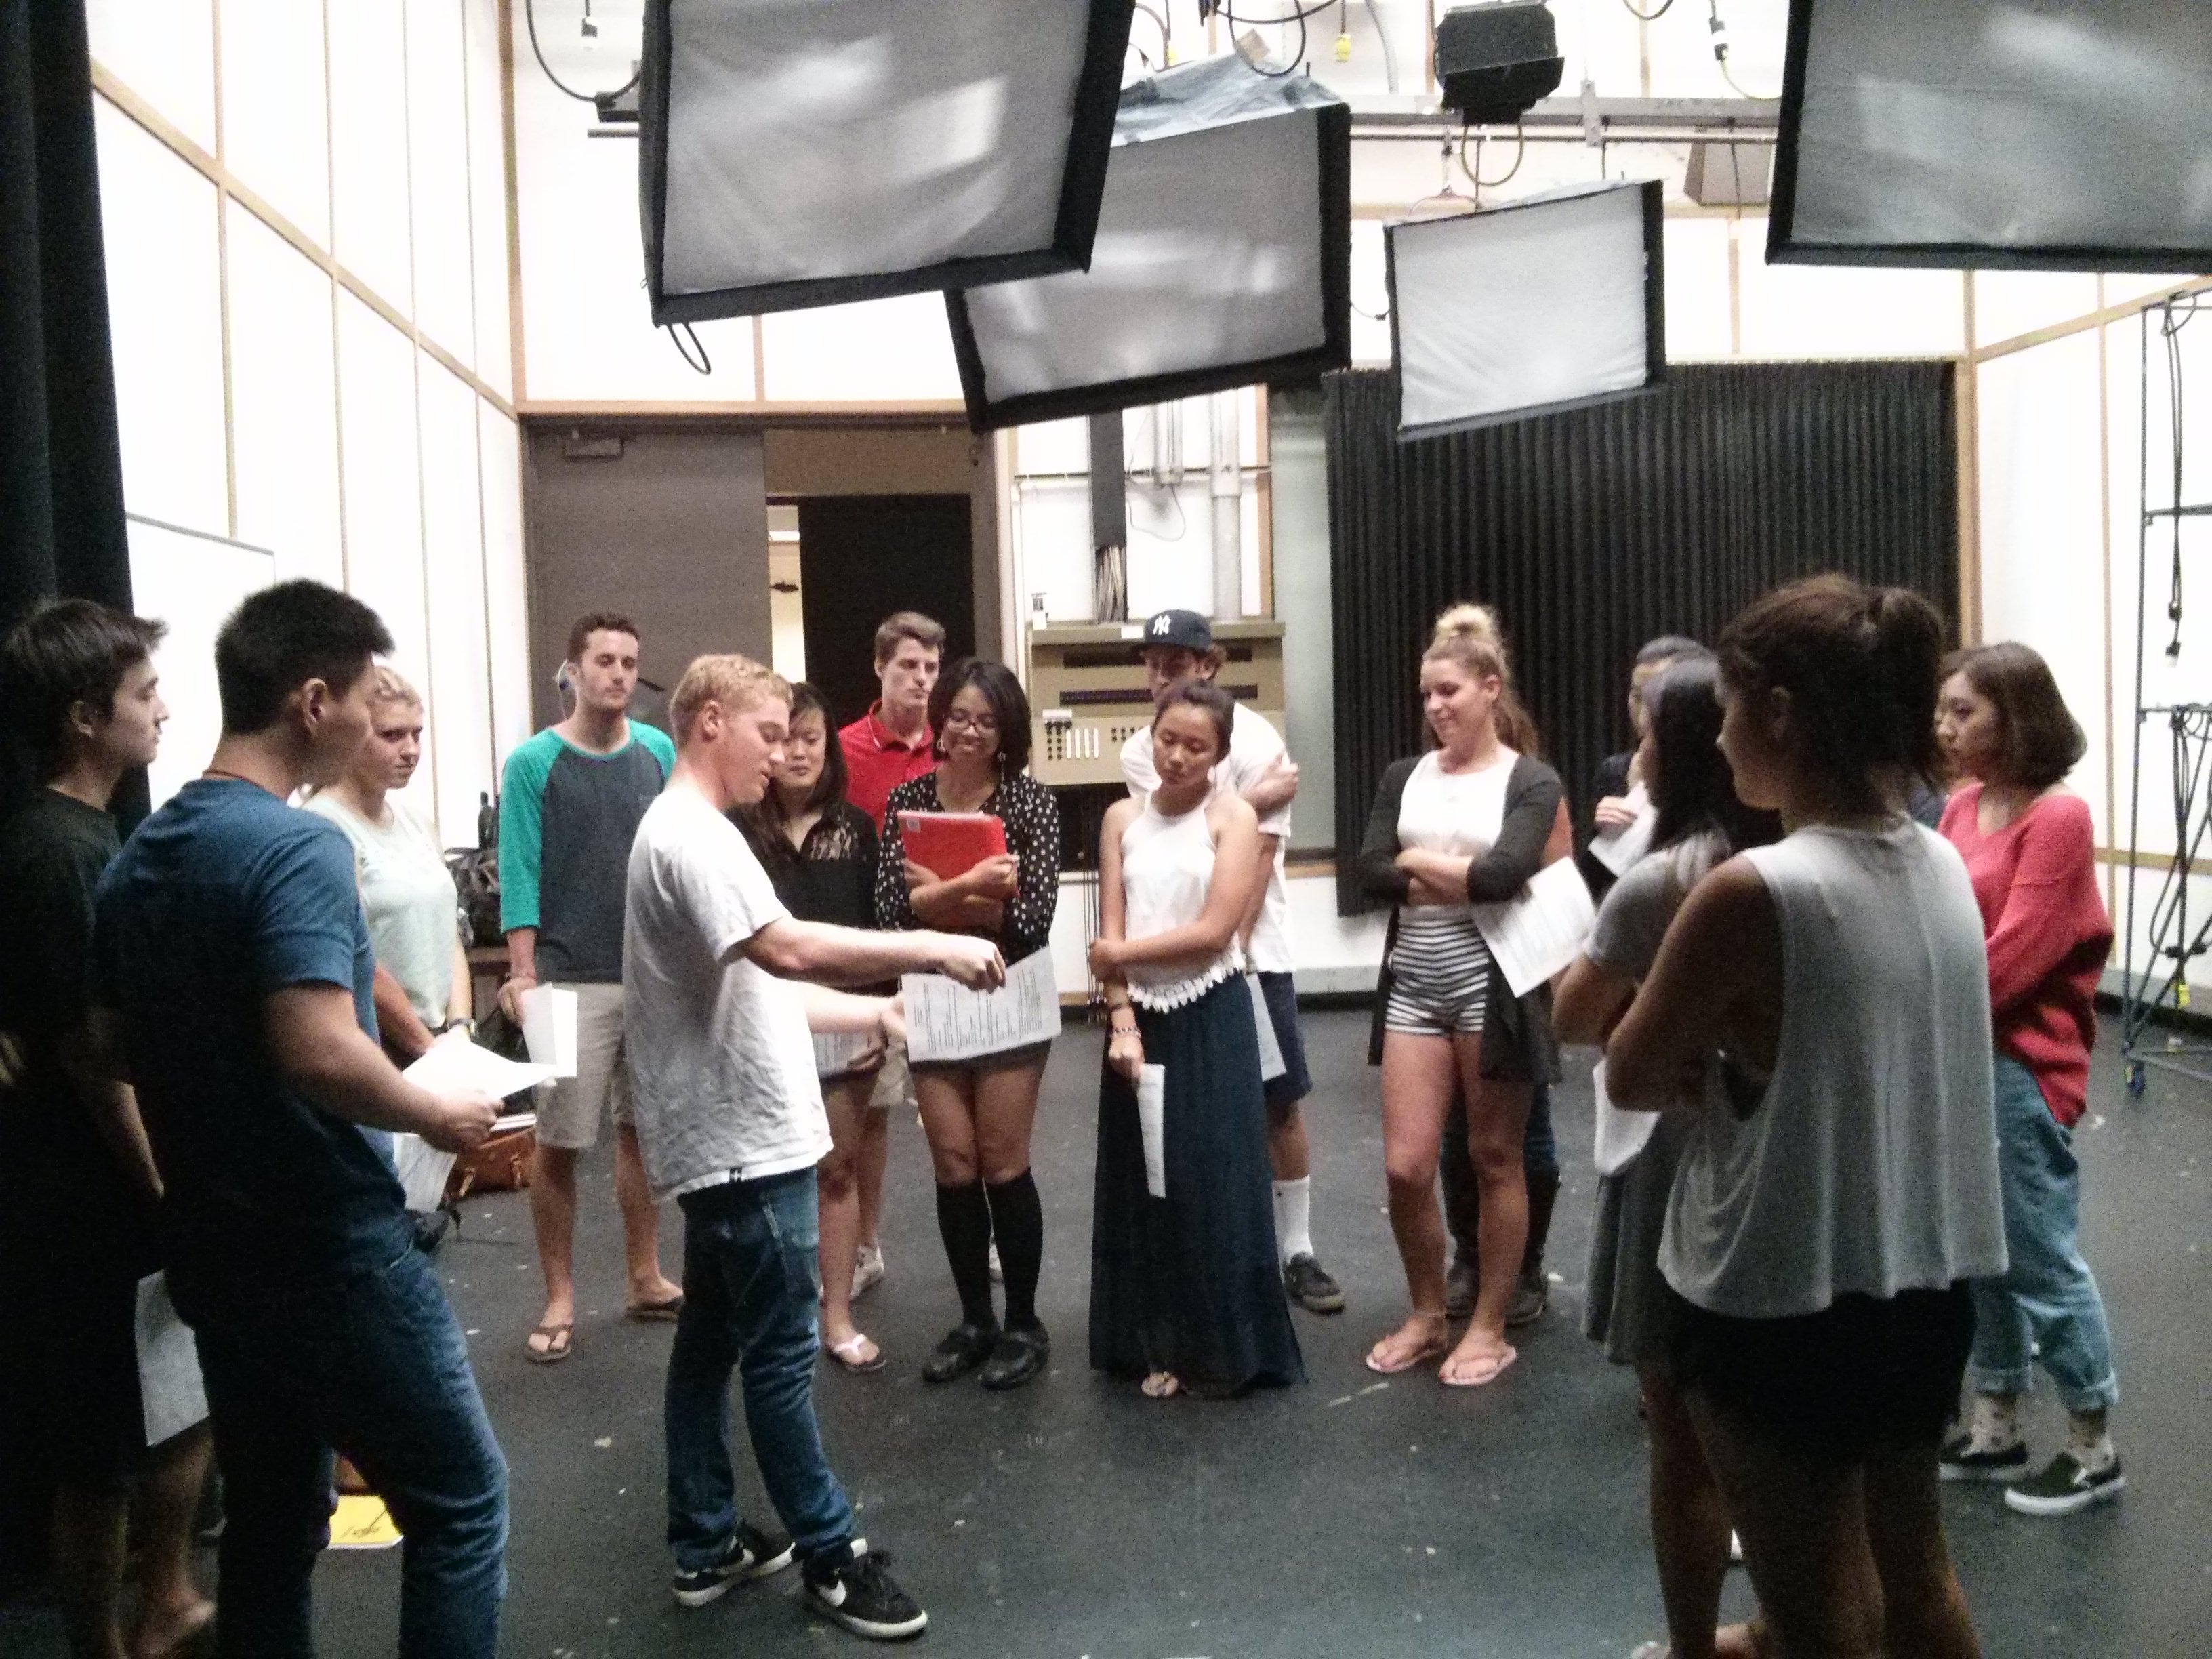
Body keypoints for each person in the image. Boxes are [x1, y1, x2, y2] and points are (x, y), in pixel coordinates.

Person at [88, 580, 506, 1657]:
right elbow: (319, 1048)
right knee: (460, 1504)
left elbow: (107, 1047)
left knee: (273, 1522)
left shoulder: (141, 855)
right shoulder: (298, 848)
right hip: (327, 1245)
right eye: (370, 700)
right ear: (314, 702)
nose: (380, 722)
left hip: (215, 1249)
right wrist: (439, 1111)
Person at [1606, 574, 2007, 1659]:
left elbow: (1631, 1073)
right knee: (1917, 1580)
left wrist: (1723, 1055)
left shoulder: (1754, 892)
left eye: (1730, 705)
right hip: (1920, 1286)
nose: (1716, 734)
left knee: (1816, 1610)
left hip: (1778, 1299)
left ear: (1780, 712)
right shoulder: (1939, 864)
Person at [621, 651, 1004, 1640]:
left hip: (737, 1139)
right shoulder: (693, 840)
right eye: (766, 733)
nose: (784, 755)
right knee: (782, 1360)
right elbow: (787, 947)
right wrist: (933, 948)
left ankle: (704, 1540)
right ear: (710, 721)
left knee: (710, 1343)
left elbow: (766, 989)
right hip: (745, 1147)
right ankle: (831, 1559)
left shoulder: (701, 834)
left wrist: (876, 1015)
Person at [0, 601, 214, 1659]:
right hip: (87, 1201)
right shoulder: (56, 852)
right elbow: (91, 1057)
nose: (162, 711)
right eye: (143, 695)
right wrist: (160, 1186)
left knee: (177, 1399)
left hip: (110, 1192)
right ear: (87, 718)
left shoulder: (89, 839)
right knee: (98, 1449)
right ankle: (99, 1643)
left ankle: (167, 1598)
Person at [1555, 656, 1780, 1659]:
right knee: (1791, 1431)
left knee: (1683, 1436)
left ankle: (1697, 1645)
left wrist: (1655, 1008)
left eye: (1648, 727)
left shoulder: (1672, 878)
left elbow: (1575, 1018)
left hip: (1672, 1163)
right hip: (1779, 1162)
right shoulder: (1806, 857)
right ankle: (1783, 1623)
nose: (1632, 743)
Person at [1935, 643, 2123, 1515]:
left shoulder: (2060, 818)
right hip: (1963, 1056)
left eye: (1964, 710)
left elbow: (2012, 960)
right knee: (1981, 1254)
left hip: (2021, 1066)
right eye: (1943, 709)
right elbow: (1936, 920)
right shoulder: (1962, 807)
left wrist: (1919, 1010)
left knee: (2040, 1256)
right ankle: (1996, 1425)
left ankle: (2093, 1444)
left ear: (2018, 715)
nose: (1945, 726)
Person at [1356, 605, 1566, 1387]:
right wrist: (1459, 873)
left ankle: (1487, 1324)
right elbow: (1370, 871)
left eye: (1449, 691)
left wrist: (1421, 862)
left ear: (1489, 688)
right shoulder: (1402, 778)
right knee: (1407, 1167)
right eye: (1427, 696)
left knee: (1492, 1156)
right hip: (1416, 981)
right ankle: (1425, 1312)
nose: (1435, 707)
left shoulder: (1530, 779)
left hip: (1493, 985)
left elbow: (1506, 875)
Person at [1119, 609, 1343, 1315]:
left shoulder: (1259, 738)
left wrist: (1230, 959)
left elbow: (1251, 858)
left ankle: (1297, 1249)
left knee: (1279, 1101)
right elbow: (1171, 830)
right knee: (1192, 1111)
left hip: (1250, 959)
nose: (1163, 676)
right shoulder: (1139, 749)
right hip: (1167, 968)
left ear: (1208, 665)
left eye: (1177, 664)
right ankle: (1210, 1252)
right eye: (1153, 664)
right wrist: (1252, 798)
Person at [1089, 681, 1305, 1399]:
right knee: (1146, 1185)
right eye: (1167, 739)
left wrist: (1116, 958)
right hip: (1138, 1023)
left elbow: (1217, 932)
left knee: (1211, 1177)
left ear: (1219, 755)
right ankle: (1156, 1339)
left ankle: (1224, 1342)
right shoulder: (1121, 816)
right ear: (1150, 734)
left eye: (1196, 746)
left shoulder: (1234, 816)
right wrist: (1121, 1017)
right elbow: (1109, 928)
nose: (1177, 756)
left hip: (1211, 1016)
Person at [498, 611, 684, 1365]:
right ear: (573, 670)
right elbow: (518, 871)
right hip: (564, 979)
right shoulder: (532, 764)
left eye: (629, 661)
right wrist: (521, 974)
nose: (617, 673)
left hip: (649, 978)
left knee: (641, 1134)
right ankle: (561, 1293)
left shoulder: (659, 753)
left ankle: (645, 1276)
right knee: (560, 1140)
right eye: (603, 659)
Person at [876, 659, 1061, 1391]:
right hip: (932, 998)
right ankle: (974, 1319)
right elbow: (891, 912)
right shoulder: (909, 801)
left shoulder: (1029, 803)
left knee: (1002, 1162)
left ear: (1005, 729)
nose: (970, 729)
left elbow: (1029, 920)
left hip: (1008, 992)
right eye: (958, 715)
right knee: (953, 1164)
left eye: (986, 719)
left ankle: (1023, 1322)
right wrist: (971, 891)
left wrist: (937, 902)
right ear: (940, 720)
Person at [736, 682, 891, 1372]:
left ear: (830, 748)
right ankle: (774, 1314)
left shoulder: (857, 829)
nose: (796, 752)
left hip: (848, 1023)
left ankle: (835, 1313)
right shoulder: (738, 829)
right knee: (765, 1174)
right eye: (784, 738)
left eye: (811, 739)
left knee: (836, 1170)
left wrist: (881, 1020)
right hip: (759, 1026)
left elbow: (879, 935)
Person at [838, 611, 949, 1298]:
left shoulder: (956, 746)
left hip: (940, 949)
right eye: (910, 665)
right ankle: (866, 1246)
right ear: (881, 667)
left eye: (932, 668)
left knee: (958, 1102)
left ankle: (987, 1231)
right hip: (870, 951)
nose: (922, 679)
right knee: (872, 1108)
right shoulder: (841, 749)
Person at [307, 668, 473, 1059]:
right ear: (350, 735)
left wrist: (460, 1027)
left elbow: (447, 932)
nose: (411, 749)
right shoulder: (323, 827)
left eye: (416, 734)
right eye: (392, 735)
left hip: (442, 1037)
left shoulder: (417, 822)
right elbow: (356, 958)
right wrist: (426, 1046)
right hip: (377, 1041)